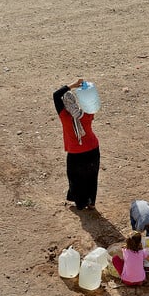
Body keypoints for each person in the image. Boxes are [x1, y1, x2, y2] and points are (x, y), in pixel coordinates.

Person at [53, 79, 100, 210]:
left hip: (75, 152)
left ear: (65, 105)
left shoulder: (64, 115)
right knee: (92, 176)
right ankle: (91, 202)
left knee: (75, 177)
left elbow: (56, 95)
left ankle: (80, 203)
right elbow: (93, 104)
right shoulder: (86, 113)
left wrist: (72, 85)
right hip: (92, 148)